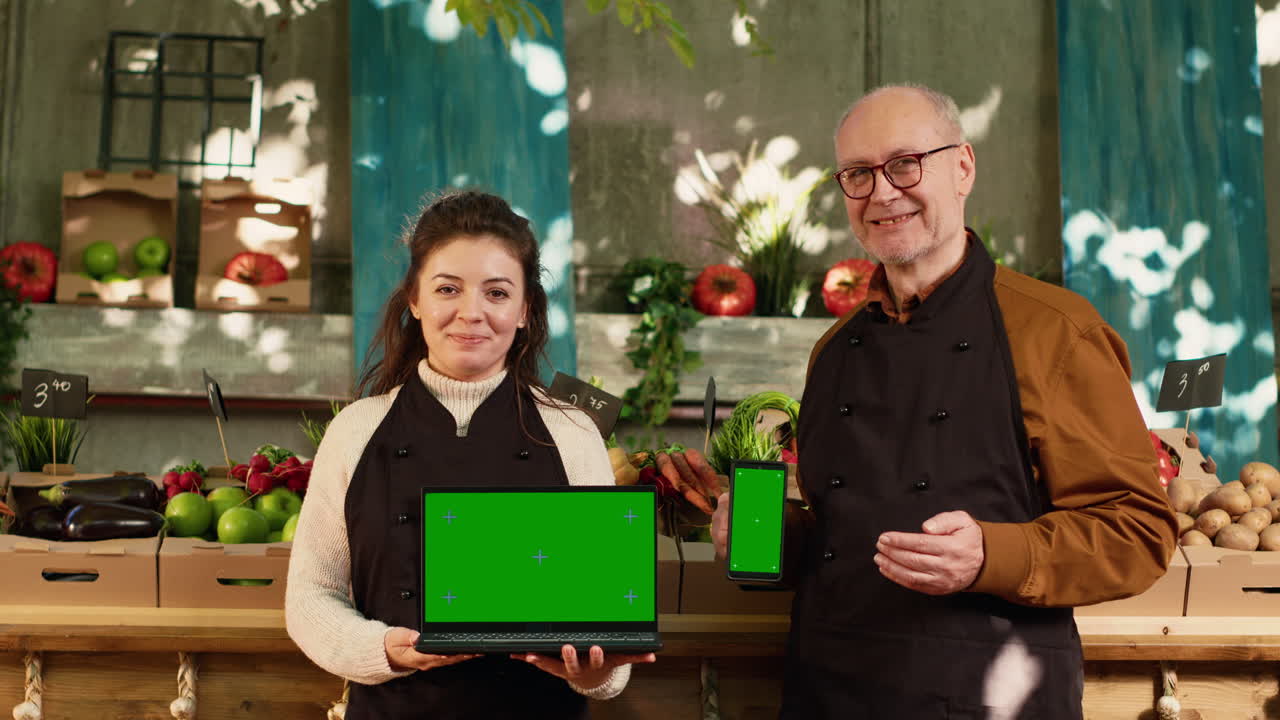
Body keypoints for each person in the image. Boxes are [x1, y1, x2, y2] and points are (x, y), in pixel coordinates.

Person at [687, 85, 1177, 718]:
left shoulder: (1055, 330)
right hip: (828, 690)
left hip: (991, 696)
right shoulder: (834, 349)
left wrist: (989, 557)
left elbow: (1136, 531)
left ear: (963, 167)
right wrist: (763, 536)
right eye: (858, 174)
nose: (882, 192)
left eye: (904, 164)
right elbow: (844, 535)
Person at [285, 190, 654, 719]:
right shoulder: (355, 430)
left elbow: (602, 627)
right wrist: (386, 649)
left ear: (526, 309)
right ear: (414, 299)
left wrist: (598, 672)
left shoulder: (572, 434)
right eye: (447, 289)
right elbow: (310, 597)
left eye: (497, 293)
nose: (471, 313)